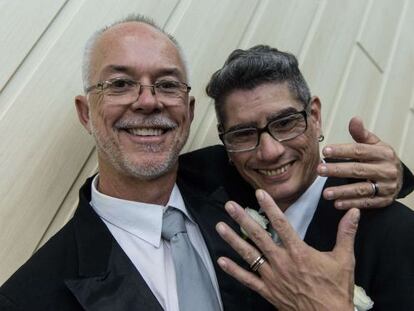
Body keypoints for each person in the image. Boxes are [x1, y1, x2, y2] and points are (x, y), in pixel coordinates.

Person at [0, 15, 412, 311]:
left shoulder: (230, 176)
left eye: (166, 84)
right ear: (86, 113)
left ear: (189, 110)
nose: (148, 101)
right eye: (120, 83)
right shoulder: (30, 296)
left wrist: (395, 175)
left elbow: (306, 174)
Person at [197, 44, 414, 310]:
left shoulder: (396, 231)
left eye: (285, 123)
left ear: (315, 116)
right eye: (243, 134)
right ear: (226, 143)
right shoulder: (212, 193)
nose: (270, 151)